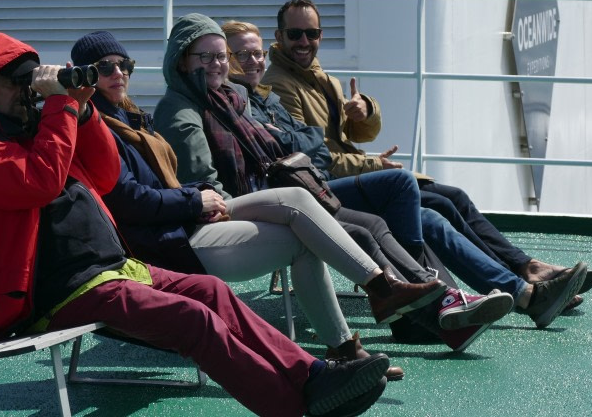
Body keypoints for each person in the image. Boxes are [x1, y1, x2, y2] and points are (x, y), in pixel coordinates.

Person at [0, 30, 390, 417]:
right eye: (15, 84)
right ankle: (292, 405)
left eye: (30, 83)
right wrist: (62, 106)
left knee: (211, 291)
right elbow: (41, 184)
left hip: (111, 270)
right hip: (63, 291)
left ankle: (311, 374)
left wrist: (83, 113)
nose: (26, 93)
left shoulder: (38, 131)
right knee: (192, 319)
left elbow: (103, 174)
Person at [71, 31, 415, 379]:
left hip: (183, 220)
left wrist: (203, 194)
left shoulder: (129, 117)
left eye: (124, 65)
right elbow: (129, 203)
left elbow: (160, 186)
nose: (119, 73)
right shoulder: (100, 128)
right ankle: (361, 323)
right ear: (84, 75)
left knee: (297, 199)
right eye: (105, 67)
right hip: (167, 246)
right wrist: (196, 200)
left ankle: (371, 308)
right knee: (302, 233)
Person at [151, 14, 515, 340]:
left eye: (220, 57)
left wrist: (355, 118)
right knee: (369, 223)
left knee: (378, 220)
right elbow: (208, 190)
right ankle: (432, 306)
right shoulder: (184, 112)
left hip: (284, 190)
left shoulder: (230, 98)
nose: (219, 65)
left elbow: (311, 142)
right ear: (182, 60)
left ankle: (440, 308)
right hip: (234, 208)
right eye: (208, 57)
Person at [258, 0, 592, 328]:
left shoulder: (321, 78)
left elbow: (355, 134)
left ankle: (524, 271)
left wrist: (366, 110)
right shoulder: (282, 86)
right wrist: (375, 166)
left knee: (454, 198)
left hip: (355, 175)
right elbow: (314, 158)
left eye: (312, 33)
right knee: (434, 210)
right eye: (295, 34)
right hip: (330, 185)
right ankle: (516, 286)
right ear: (279, 37)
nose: (304, 42)